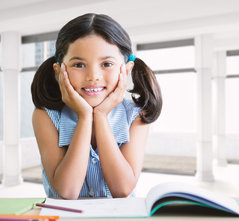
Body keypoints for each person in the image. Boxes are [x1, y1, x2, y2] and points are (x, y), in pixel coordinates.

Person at [30, 13, 162, 200]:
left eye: (106, 63)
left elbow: (122, 189)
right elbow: (67, 191)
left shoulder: (137, 115)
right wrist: (85, 116)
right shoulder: (45, 116)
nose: (93, 76)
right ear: (59, 71)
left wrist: (100, 115)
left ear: (125, 70)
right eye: (79, 64)